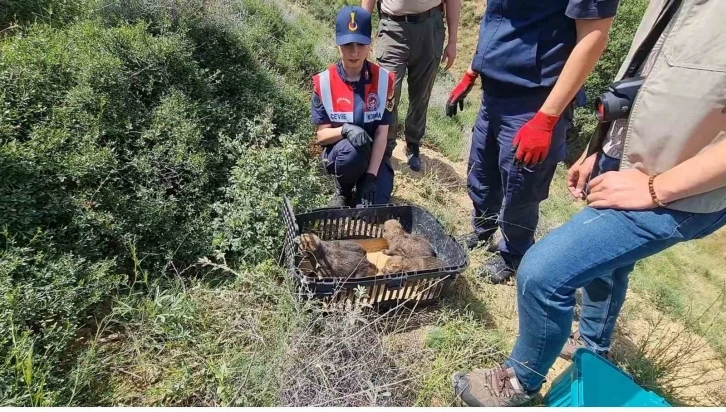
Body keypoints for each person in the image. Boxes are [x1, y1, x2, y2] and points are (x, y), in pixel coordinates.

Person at [452, 0, 726, 406]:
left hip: (681, 188)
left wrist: (657, 188)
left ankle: (517, 385)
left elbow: (593, 36)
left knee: (542, 273)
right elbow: (646, 79)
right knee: (607, 261)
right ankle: (593, 346)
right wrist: (602, 147)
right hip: (629, 159)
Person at [445, 0, 619, 284]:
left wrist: (546, 119)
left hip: (534, 100)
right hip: (494, 92)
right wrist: (473, 69)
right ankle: (482, 228)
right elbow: (496, 17)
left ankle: (513, 253)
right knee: (482, 169)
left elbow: (594, 36)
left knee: (521, 187)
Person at [312, 6, 396, 207]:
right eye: (347, 44)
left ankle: (364, 184)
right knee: (351, 152)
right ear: (337, 44)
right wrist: (346, 130)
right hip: (342, 155)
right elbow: (321, 136)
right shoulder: (323, 82)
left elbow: (381, 134)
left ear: (370, 44)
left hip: (373, 156)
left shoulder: (384, 81)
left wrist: (370, 178)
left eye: (361, 44)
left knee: (373, 210)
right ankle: (344, 188)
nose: (354, 52)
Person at [361, 0, 461, 172]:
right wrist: (362, 31)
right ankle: (384, 147)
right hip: (393, 28)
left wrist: (453, 40)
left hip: (430, 27)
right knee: (387, 92)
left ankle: (413, 144)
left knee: (421, 94)